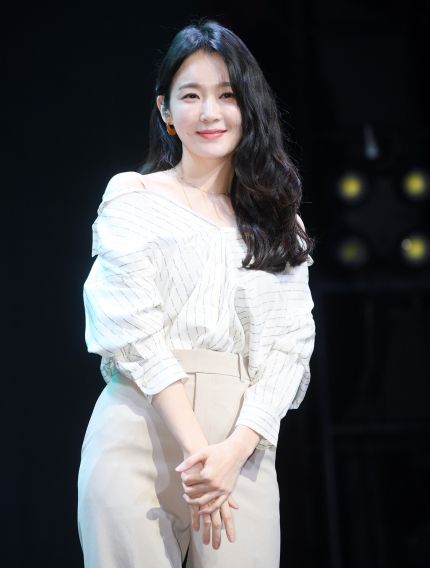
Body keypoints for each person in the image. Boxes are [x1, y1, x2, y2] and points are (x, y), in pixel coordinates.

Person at [77, 18, 315, 568]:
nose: (210, 112)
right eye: (191, 96)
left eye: (227, 95)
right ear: (166, 111)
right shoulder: (133, 198)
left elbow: (289, 348)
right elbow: (133, 327)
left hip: (242, 445)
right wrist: (196, 448)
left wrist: (232, 452)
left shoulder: (281, 223)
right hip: (141, 425)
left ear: (248, 106)